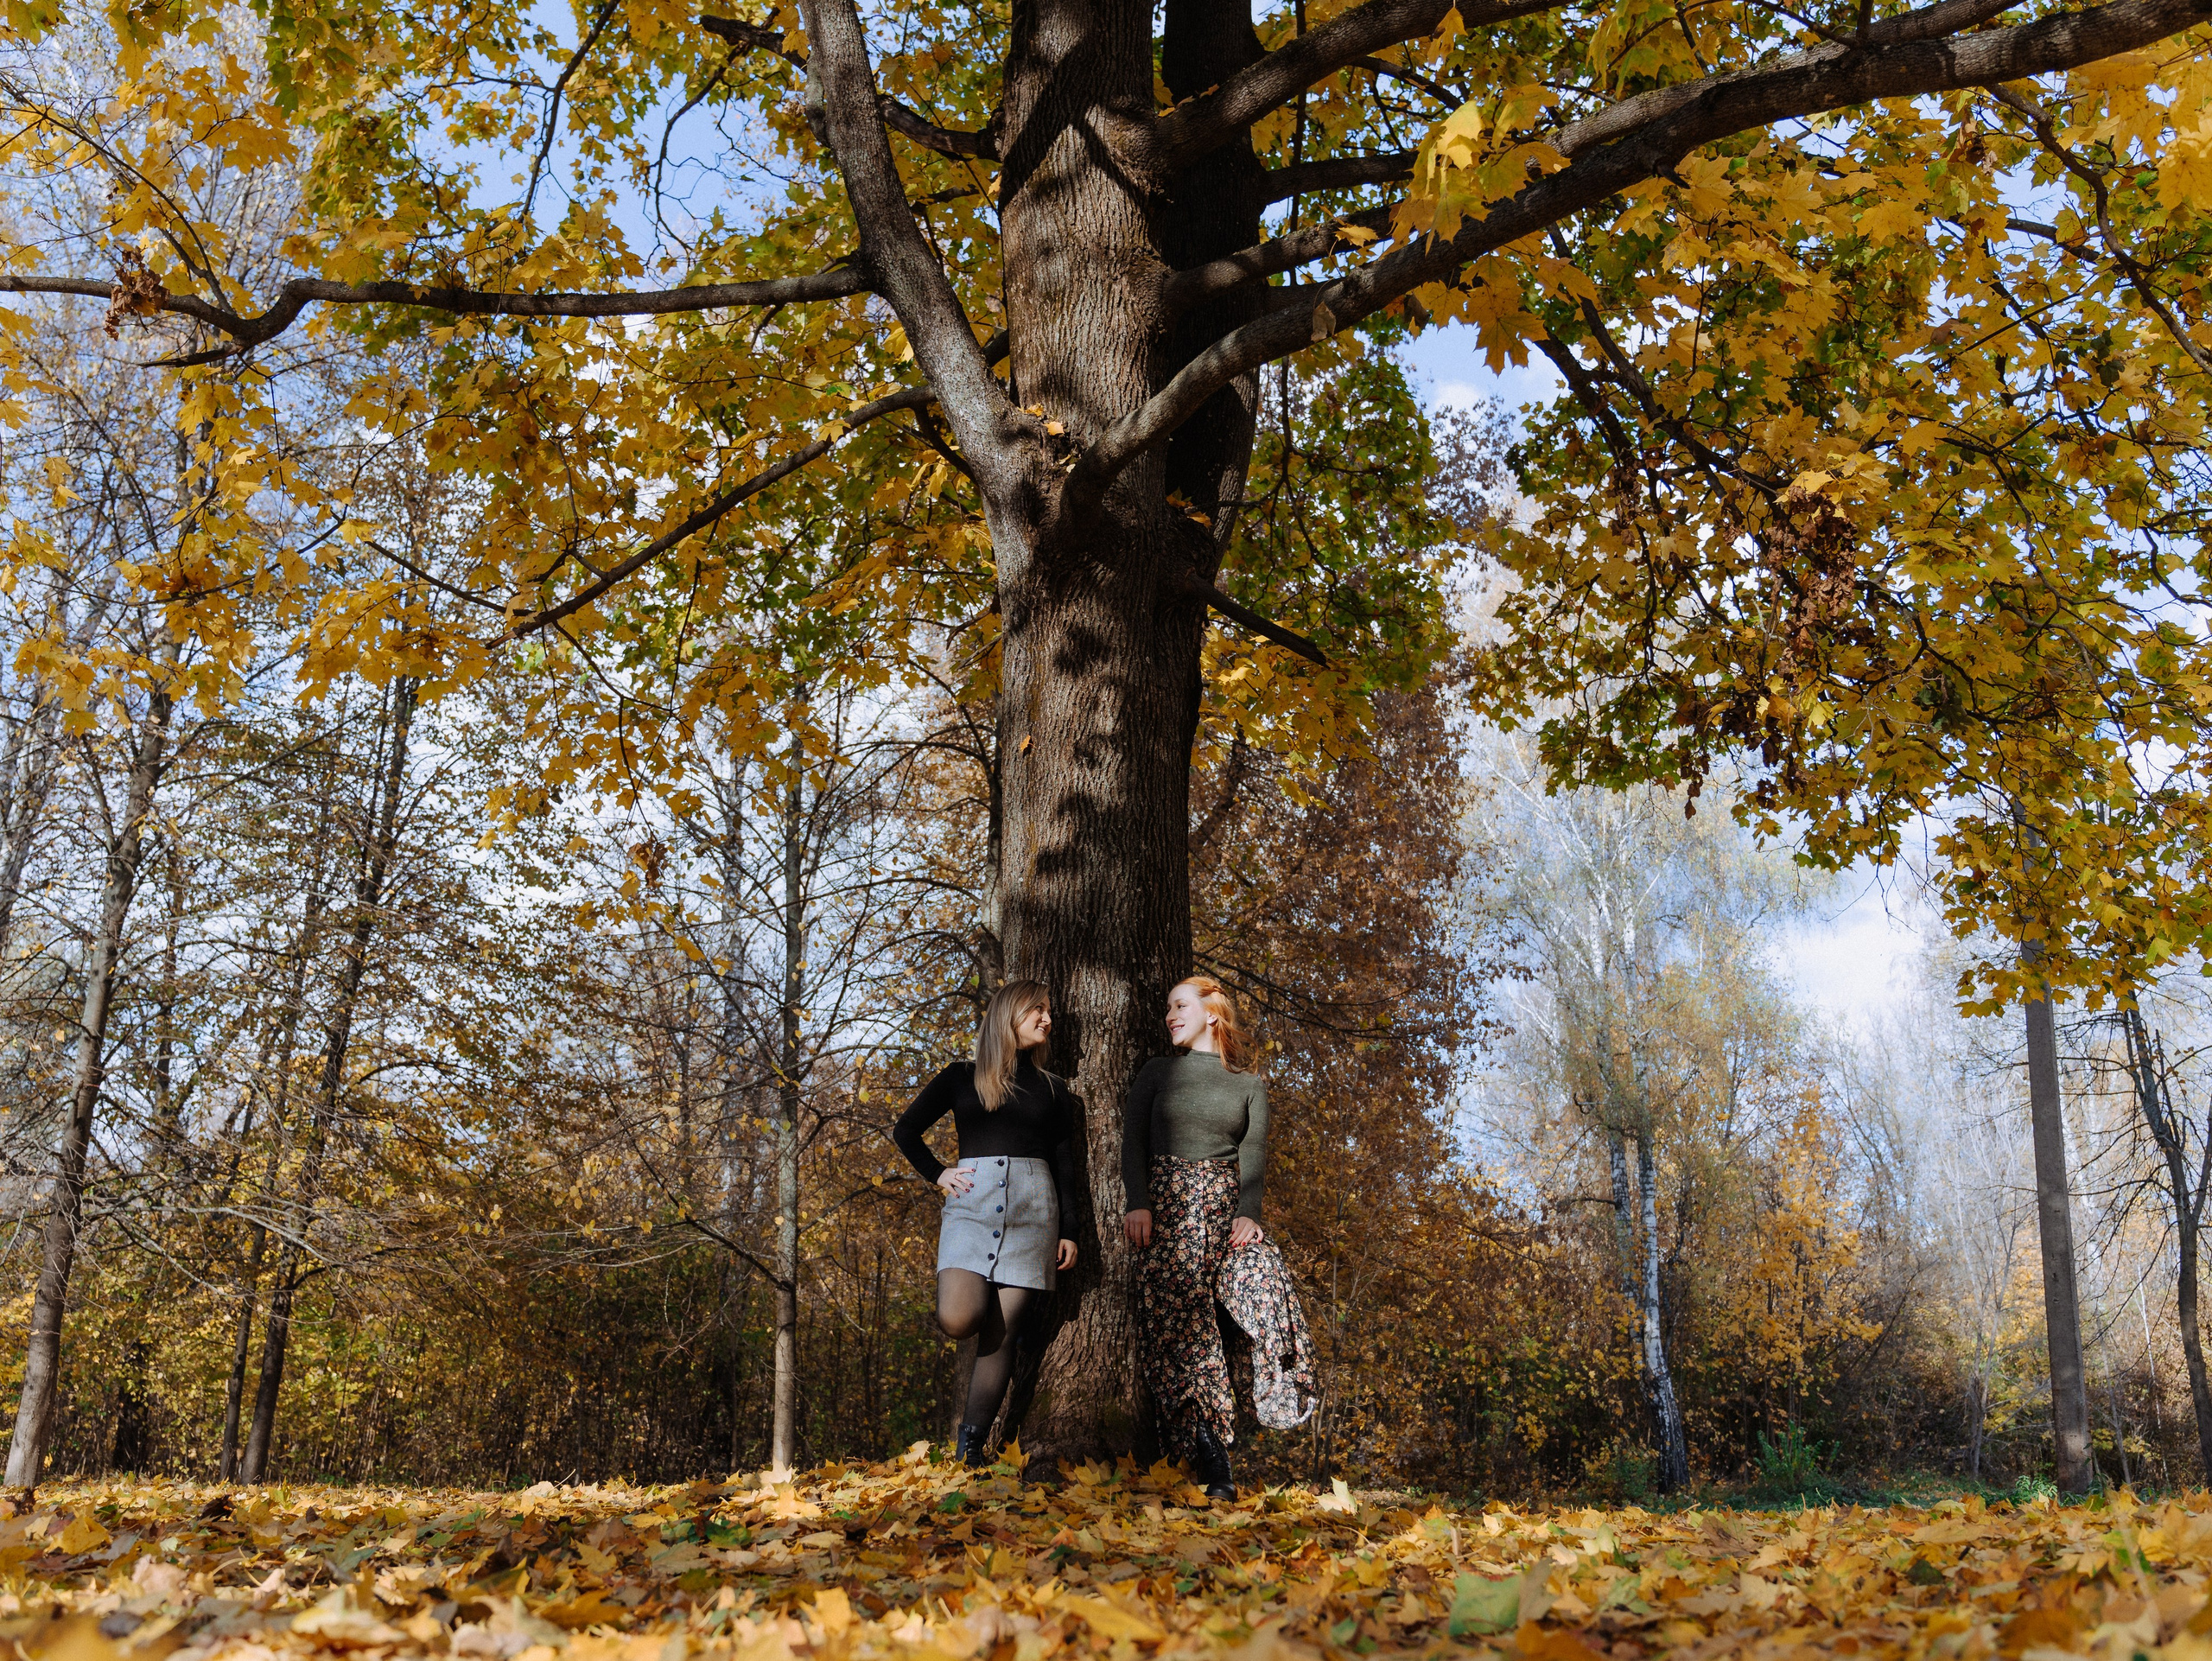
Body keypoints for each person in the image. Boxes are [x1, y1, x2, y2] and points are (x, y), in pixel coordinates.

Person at [893, 980, 1078, 1467]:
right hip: (971, 1209)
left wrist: (1070, 1230)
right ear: (1009, 1015)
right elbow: (906, 1129)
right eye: (1037, 1010)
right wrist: (938, 1173)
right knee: (960, 1319)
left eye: (1048, 1010)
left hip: (1035, 1212)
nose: (1047, 1019)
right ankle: (969, 1444)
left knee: (1002, 1334)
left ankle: (969, 1448)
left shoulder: (1056, 1091)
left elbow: (1066, 1165)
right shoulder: (960, 1077)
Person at [1122, 974, 1268, 1501]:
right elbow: (1132, 1141)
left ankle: (1271, 1410)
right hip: (1167, 1209)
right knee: (1185, 1329)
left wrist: (1248, 1215)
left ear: (1212, 1013)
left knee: (1241, 1324)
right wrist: (1139, 1201)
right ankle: (1212, 1459)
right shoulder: (1158, 1072)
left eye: (1179, 1006)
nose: (1170, 1016)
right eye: (1167, 1008)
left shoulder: (1248, 1084)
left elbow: (1252, 1157)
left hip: (1225, 1215)